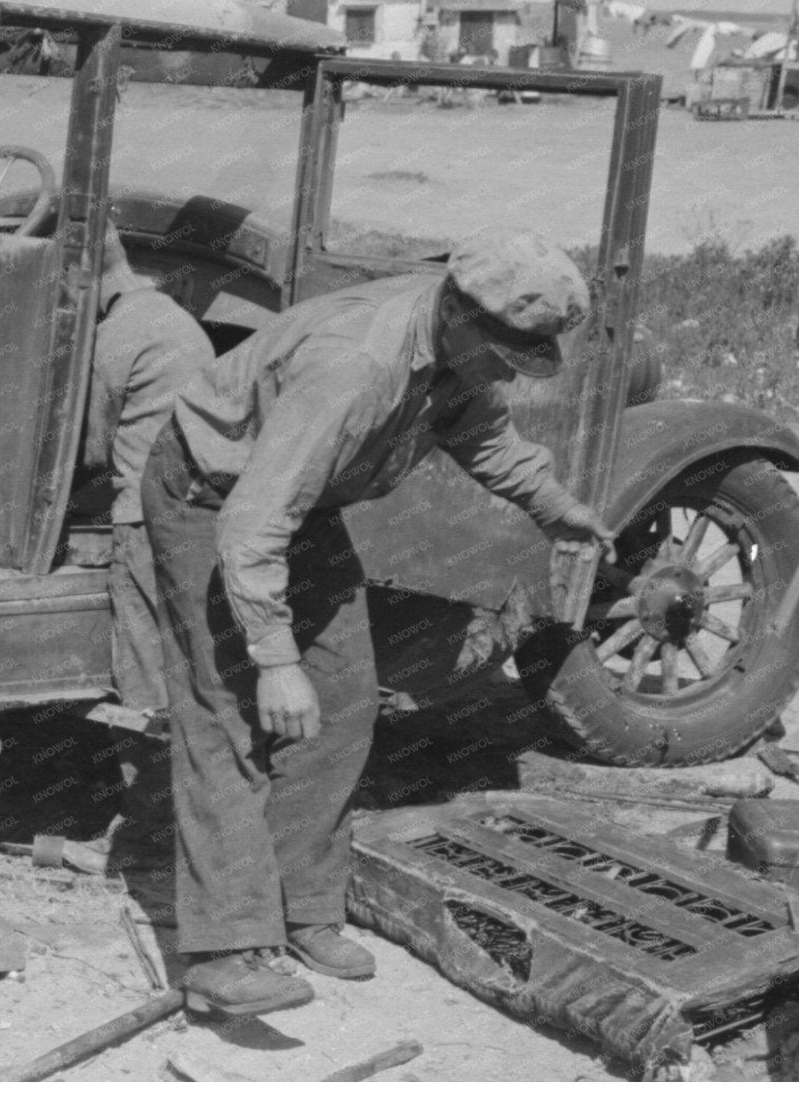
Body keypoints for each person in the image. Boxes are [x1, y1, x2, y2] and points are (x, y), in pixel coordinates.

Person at [141, 225, 619, 1017]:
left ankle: (300, 904)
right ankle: (222, 951)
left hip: (302, 497)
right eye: (504, 357)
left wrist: (556, 507)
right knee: (228, 710)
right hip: (214, 494)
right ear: (465, 317)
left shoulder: (456, 346)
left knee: (345, 696)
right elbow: (254, 521)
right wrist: (274, 654)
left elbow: (484, 434)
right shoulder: (358, 365)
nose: (506, 373)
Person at [80, 222, 212, 857]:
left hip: (142, 521)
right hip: (197, 515)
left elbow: (84, 451)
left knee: (142, 685)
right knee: (189, 671)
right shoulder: (173, 317)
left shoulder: (113, 337)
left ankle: (147, 835)